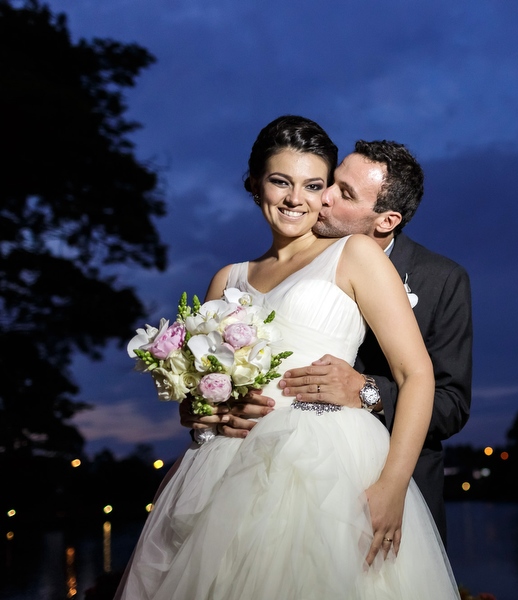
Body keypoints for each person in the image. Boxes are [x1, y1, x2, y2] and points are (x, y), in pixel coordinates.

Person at [115, 115, 459, 599]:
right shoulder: (227, 278)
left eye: (314, 185)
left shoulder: (355, 254)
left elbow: (417, 373)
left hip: (328, 467)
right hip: (225, 471)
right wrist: (202, 410)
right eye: (280, 181)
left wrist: (392, 487)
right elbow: (198, 403)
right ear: (255, 184)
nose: (296, 198)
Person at [186, 139, 474, 545]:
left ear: (386, 221)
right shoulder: (247, 272)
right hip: (257, 466)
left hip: (381, 477)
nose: (323, 199)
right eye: (330, 183)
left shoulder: (441, 279)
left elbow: (451, 403)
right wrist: (211, 407)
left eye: (345, 193)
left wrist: (366, 391)